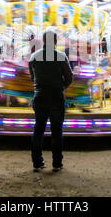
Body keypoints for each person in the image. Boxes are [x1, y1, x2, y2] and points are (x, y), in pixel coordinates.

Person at [29, 30, 73, 172]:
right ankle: (57, 163)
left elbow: (32, 77)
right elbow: (69, 77)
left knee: (38, 130)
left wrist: (40, 86)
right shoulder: (61, 56)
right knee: (57, 130)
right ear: (55, 41)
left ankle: (37, 162)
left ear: (43, 40)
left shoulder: (34, 56)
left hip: (40, 96)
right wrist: (61, 87)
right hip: (56, 97)